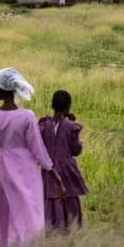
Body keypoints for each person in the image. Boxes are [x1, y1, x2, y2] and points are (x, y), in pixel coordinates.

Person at [0, 67, 65, 247]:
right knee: (30, 208)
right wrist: (56, 178)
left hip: (5, 169)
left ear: (1, 90)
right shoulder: (27, 116)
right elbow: (39, 150)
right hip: (27, 168)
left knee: (9, 210)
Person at [39, 90, 89, 230]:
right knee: (69, 199)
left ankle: (52, 231)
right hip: (66, 170)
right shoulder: (71, 127)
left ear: (52, 105)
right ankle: (70, 231)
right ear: (68, 107)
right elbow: (76, 150)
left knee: (51, 199)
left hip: (49, 169)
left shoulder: (43, 125)